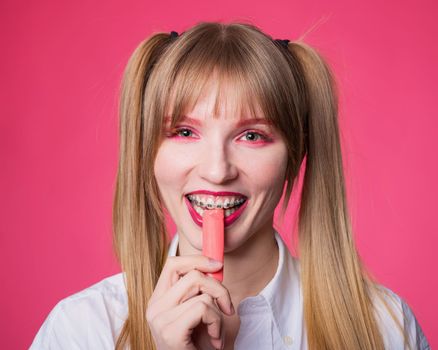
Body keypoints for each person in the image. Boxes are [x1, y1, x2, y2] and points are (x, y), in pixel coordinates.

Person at [30, 21, 430, 350]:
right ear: (147, 152)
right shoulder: (81, 330)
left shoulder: (385, 328)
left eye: (252, 136)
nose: (217, 171)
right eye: (185, 132)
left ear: (294, 156)